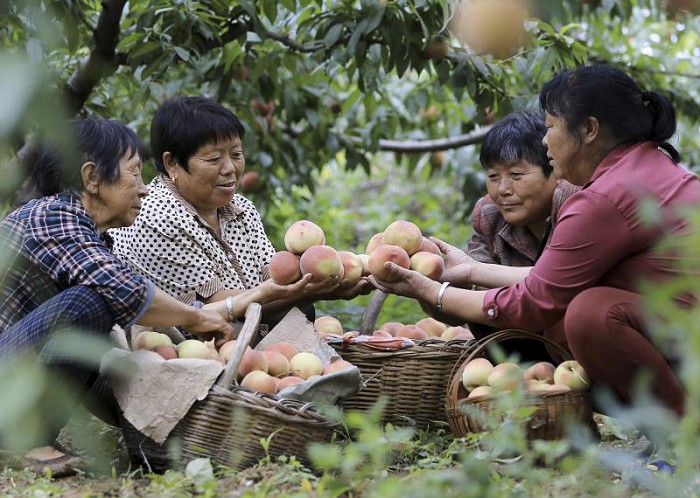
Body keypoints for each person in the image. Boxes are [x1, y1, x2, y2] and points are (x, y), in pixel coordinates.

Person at [370, 65, 698, 419]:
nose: (545, 140)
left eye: (550, 127)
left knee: (589, 314)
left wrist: (431, 291)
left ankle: (683, 434)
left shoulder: (601, 200)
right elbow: (551, 280)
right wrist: (469, 270)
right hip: (679, 322)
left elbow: (536, 300)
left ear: (588, 129)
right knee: (568, 313)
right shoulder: (646, 165)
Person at [0, 118, 235, 476]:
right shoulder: (54, 215)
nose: (144, 189)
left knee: (99, 313)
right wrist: (197, 318)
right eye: (135, 173)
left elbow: (91, 347)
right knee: (92, 301)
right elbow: (126, 291)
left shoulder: (88, 236)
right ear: (92, 177)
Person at [110, 96, 369, 334]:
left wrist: (323, 275)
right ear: (172, 163)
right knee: (259, 318)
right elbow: (215, 308)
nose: (230, 168)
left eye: (236, 154)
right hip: (195, 347)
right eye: (213, 159)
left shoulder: (240, 208)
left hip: (254, 342)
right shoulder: (157, 217)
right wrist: (308, 292)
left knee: (299, 311)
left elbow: (274, 274)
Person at [466, 111, 579, 360]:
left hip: (578, 350)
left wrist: (467, 275)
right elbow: (472, 292)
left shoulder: (576, 202)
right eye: (493, 177)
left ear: (553, 169)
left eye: (516, 175)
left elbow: (556, 287)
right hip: (518, 354)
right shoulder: (488, 215)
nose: (503, 189)